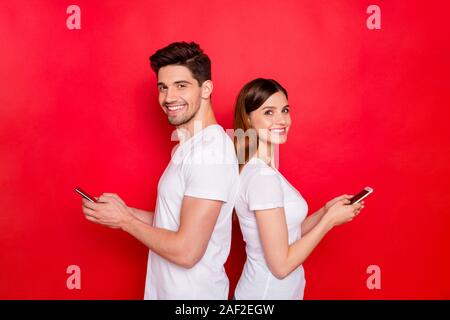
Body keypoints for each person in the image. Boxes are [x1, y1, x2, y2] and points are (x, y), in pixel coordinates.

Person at [81, 42, 239, 299]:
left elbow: (187, 252)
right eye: (163, 87)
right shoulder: (187, 147)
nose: (168, 98)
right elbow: (175, 220)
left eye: (181, 86)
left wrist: (125, 221)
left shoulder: (211, 154)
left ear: (206, 88)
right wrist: (122, 212)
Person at [232, 78, 365, 300]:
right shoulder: (262, 178)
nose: (281, 120)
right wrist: (328, 221)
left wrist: (324, 210)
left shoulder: (262, 170)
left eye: (285, 110)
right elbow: (281, 266)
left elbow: (287, 233)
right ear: (248, 118)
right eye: (268, 112)